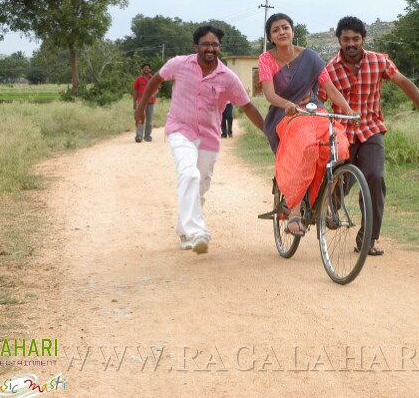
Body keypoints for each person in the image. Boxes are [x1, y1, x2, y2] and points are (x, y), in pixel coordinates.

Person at [135, 25, 265, 254]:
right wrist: (141, 106)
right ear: (196, 46)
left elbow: (247, 106)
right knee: (189, 174)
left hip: (209, 136)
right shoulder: (179, 64)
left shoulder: (227, 77)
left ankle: (184, 230)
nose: (210, 48)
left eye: (215, 44)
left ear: (219, 48)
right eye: (205, 43)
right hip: (179, 129)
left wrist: (269, 132)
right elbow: (156, 79)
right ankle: (196, 231)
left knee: (200, 186)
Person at [320, 16, 419, 256]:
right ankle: (330, 209)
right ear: (339, 41)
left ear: (363, 39)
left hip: (370, 130)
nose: (351, 44)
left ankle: (369, 237)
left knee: (375, 177)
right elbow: (318, 99)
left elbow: (404, 82)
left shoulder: (379, 61)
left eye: (356, 39)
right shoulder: (329, 69)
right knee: (339, 184)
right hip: (342, 132)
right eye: (346, 39)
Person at [259, 13, 355, 237]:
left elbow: (329, 88)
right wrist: (288, 104)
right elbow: (269, 94)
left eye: (285, 27)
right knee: (306, 147)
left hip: (314, 111)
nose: (282, 32)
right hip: (286, 115)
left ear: (293, 31)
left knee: (338, 147)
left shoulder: (310, 57)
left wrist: (348, 110)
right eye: (276, 30)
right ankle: (293, 211)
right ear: (271, 37)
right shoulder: (266, 59)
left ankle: (326, 203)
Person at [133, 63, 156, 142]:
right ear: (142, 70)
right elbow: (135, 91)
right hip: (141, 101)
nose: (146, 69)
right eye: (144, 68)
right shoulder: (138, 79)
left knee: (149, 119)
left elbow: (157, 88)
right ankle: (139, 136)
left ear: (150, 70)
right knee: (140, 118)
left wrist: (153, 94)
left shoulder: (153, 78)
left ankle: (147, 136)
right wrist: (134, 102)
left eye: (148, 68)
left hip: (151, 101)